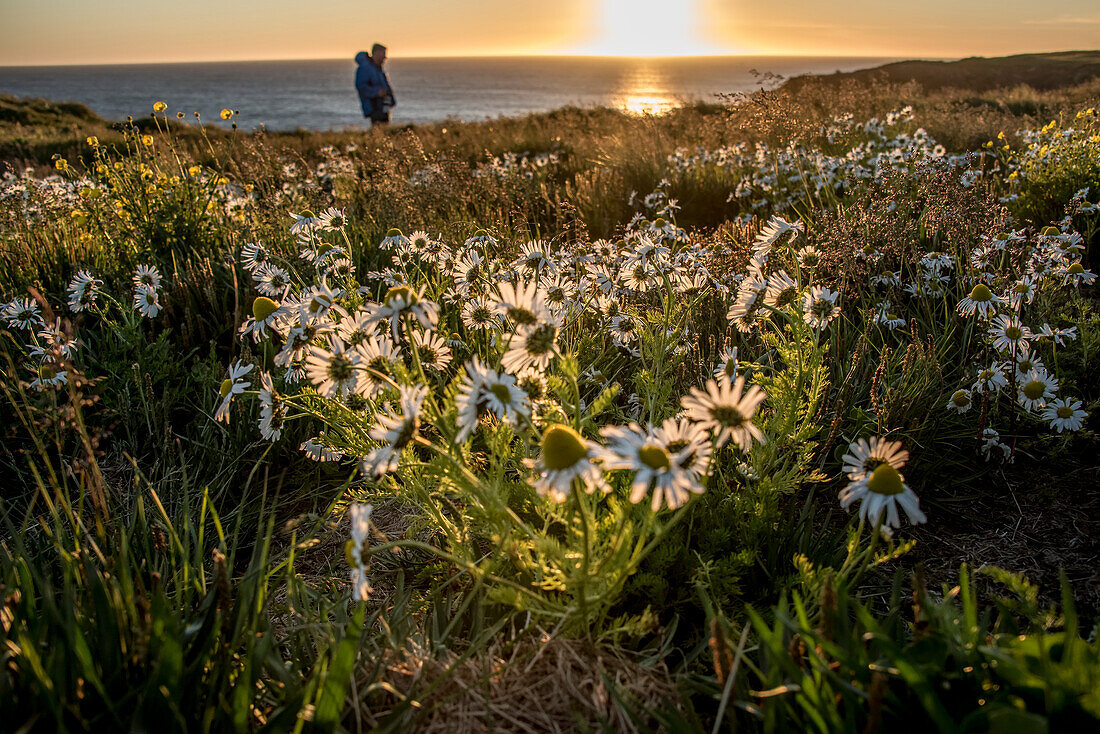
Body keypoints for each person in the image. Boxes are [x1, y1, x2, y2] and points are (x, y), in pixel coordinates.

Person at [355, 44, 395, 126]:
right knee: (379, 131)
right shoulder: (365, 68)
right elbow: (361, 87)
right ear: (376, 53)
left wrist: (391, 99)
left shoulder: (378, 68)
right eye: (383, 54)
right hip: (374, 106)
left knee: (385, 131)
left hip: (384, 106)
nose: (385, 57)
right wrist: (377, 92)